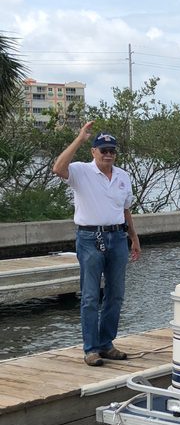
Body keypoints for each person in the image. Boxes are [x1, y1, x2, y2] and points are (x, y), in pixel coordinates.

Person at [52, 122, 141, 366]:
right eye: (103, 150)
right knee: (91, 295)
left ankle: (106, 343)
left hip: (117, 237)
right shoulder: (81, 171)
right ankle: (90, 348)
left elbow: (125, 210)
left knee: (116, 295)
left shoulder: (123, 176)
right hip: (90, 238)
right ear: (94, 152)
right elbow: (58, 168)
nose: (108, 154)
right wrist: (80, 138)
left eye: (112, 150)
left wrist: (134, 237)